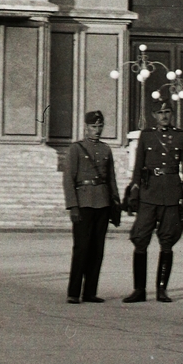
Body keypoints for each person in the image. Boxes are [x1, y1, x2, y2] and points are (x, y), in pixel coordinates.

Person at [122, 102, 183, 303]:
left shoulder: (182, 137)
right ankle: (139, 290)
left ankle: (162, 289)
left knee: (168, 240)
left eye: (167, 112)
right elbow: (138, 167)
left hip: (171, 193)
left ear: (172, 114)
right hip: (148, 193)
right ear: (154, 115)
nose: (164, 116)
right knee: (140, 238)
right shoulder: (146, 136)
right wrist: (134, 192)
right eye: (160, 113)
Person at [62, 110, 120, 303]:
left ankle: (90, 292)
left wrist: (115, 203)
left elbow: (111, 178)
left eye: (99, 126)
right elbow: (68, 179)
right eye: (93, 126)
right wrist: (73, 206)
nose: (97, 130)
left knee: (97, 249)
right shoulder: (76, 149)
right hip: (84, 202)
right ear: (86, 127)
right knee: (81, 248)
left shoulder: (106, 150)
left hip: (102, 202)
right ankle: (73, 292)